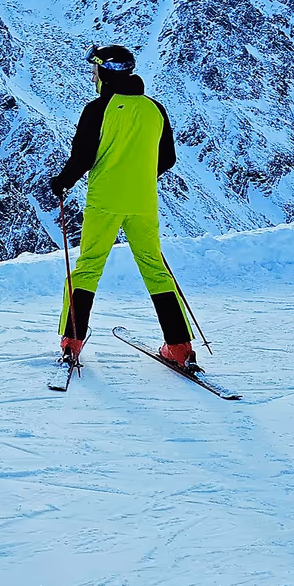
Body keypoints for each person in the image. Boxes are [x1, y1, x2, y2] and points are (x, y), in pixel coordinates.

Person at [48, 45, 198, 367]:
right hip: (143, 202)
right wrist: (139, 175)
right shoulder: (155, 109)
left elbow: (82, 157)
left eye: (95, 71)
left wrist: (61, 182)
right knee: (155, 270)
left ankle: (72, 342)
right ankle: (180, 347)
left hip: (105, 201)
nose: (93, 77)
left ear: (105, 73)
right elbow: (168, 158)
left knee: (88, 268)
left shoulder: (97, 109)